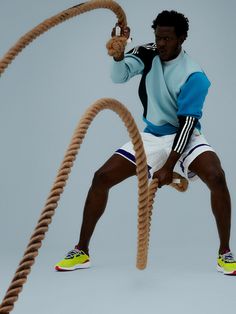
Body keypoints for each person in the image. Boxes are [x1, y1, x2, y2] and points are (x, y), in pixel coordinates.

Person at [55, 10, 235, 275]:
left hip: (185, 137)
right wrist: (118, 54)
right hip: (152, 136)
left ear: (182, 38)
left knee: (217, 176)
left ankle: (225, 252)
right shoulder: (148, 52)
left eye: (167, 38)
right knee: (101, 177)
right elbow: (119, 77)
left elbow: (186, 124)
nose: (161, 44)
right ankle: (81, 251)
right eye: (158, 37)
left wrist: (169, 166)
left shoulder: (194, 75)